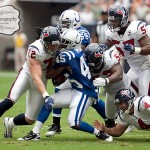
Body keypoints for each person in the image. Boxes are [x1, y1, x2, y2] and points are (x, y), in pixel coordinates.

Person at [12, 29, 112, 141]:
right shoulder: (77, 51)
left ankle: (99, 133)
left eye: (64, 41)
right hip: (76, 89)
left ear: (72, 43)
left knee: (74, 122)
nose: (61, 43)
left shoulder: (67, 55)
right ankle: (35, 133)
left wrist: (58, 65)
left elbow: (49, 75)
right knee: (49, 102)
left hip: (84, 92)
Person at [38, 9, 112, 137]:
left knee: (93, 98)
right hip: (72, 67)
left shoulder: (82, 33)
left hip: (83, 69)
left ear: (75, 22)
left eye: (66, 23)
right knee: (59, 90)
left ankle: (110, 120)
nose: (62, 25)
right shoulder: (65, 31)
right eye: (62, 23)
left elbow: (77, 50)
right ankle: (56, 124)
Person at [2, 26, 60, 138]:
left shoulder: (59, 47)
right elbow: (35, 76)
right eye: (51, 44)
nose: (54, 47)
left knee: (30, 119)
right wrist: (46, 95)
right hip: (28, 75)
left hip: (42, 78)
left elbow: (46, 75)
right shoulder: (35, 49)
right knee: (10, 100)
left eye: (55, 44)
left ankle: (9, 122)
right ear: (43, 41)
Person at [98, 5, 150, 97]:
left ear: (124, 19)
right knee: (126, 96)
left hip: (146, 66)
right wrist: (101, 47)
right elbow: (107, 43)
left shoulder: (135, 29)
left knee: (143, 98)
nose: (113, 23)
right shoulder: (111, 33)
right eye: (111, 21)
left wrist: (135, 49)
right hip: (133, 68)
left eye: (115, 21)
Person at [85, 43, 133, 123]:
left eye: (98, 61)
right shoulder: (84, 63)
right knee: (110, 117)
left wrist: (106, 80)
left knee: (129, 113)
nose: (97, 65)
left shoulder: (110, 57)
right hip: (110, 91)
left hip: (123, 88)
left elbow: (119, 74)